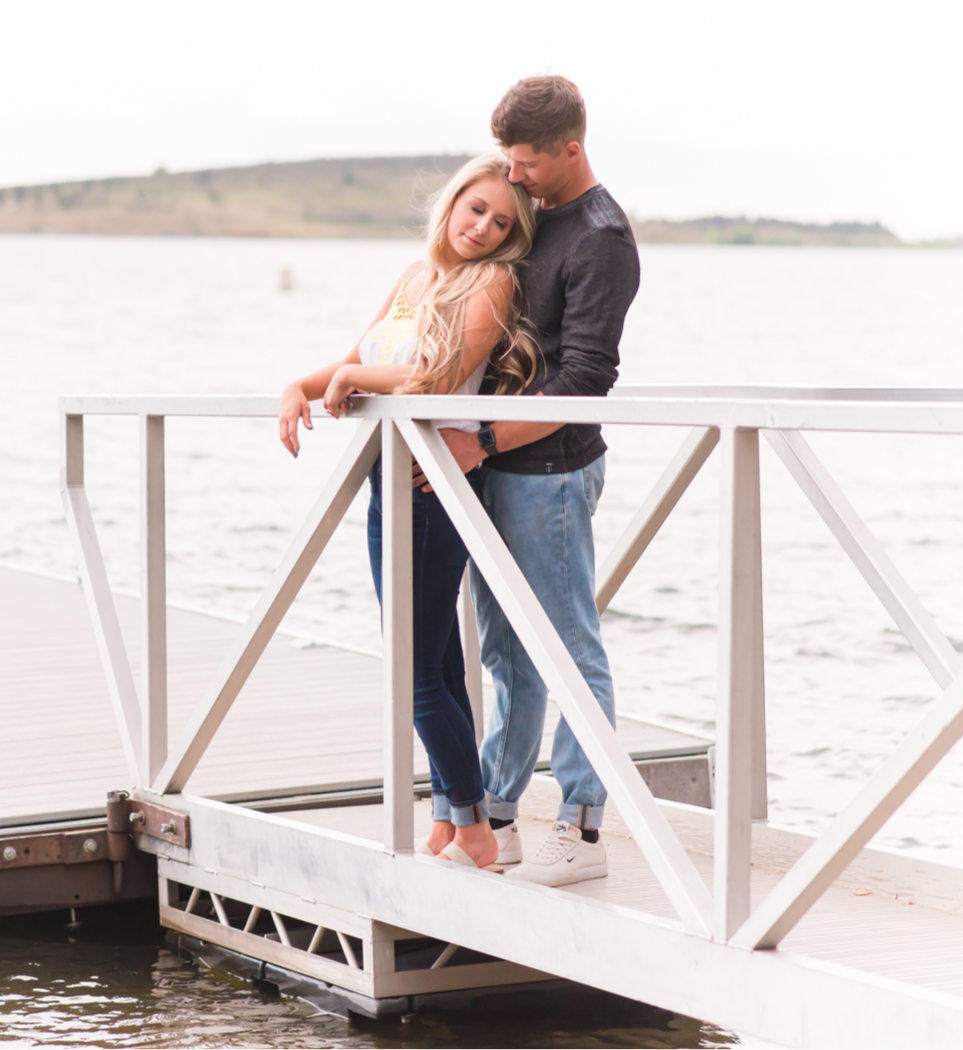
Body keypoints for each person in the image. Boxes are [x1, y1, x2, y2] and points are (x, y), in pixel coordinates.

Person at [278, 154, 538, 869]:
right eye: (476, 208)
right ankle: (455, 820)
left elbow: (439, 376)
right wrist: (300, 385)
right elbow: (357, 354)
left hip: (433, 485)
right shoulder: (417, 275)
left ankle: (478, 830)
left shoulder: (494, 283)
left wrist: (358, 378)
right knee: (436, 662)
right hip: (385, 479)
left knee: (413, 668)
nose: (483, 227)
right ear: (452, 203)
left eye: (502, 222)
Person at [434, 76, 640, 886]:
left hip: (549, 472)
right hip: (488, 466)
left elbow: (587, 378)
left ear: (570, 150)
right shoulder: (536, 215)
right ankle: (501, 815)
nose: (510, 176)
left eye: (524, 162)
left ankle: (582, 828)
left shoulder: (601, 236)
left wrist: (482, 438)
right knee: (505, 655)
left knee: (567, 649)